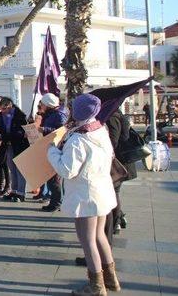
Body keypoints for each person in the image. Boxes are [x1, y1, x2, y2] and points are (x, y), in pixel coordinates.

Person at [48, 94, 120, 294]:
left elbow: (66, 170)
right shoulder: (100, 130)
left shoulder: (80, 139)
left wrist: (52, 151)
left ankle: (96, 286)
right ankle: (111, 279)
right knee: (99, 236)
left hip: (86, 194)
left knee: (88, 240)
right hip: (101, 190)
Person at [0, 97, 29, 201]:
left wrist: (3, 136)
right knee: (12, 169)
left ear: (9, 106)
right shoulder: (2, 115)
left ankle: (21, 193)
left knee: (20, 170)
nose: (1, 111)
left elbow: (21, 133)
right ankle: (14, 191)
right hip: (9, 145)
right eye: (0, 109)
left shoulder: (20, 116)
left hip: (20, 145)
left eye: (3, 109)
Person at [37, 93, 69, 213]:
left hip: (57, 148)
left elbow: (62, 131)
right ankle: (54, 201)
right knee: (50, 177)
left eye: (43, 104)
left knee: (54, 178)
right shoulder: (51, 113)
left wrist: (45, 129)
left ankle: (57, 202)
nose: (41, 106)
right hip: (49, 146)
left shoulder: (60, 115)